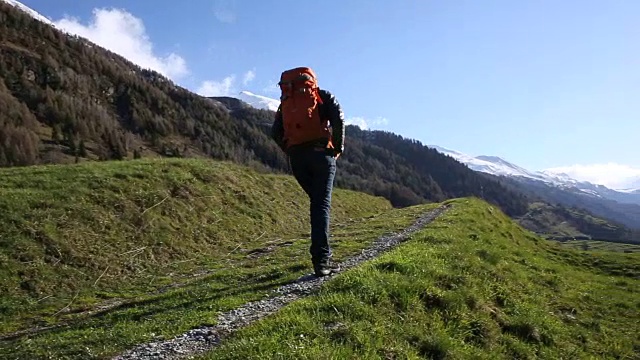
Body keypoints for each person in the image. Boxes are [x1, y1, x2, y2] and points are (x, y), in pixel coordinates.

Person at [271, 67, 345, 277]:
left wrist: (290, 149)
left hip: (298, 159)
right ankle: (322, 261)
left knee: (317, 205)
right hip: (322, 156)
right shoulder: (322, 96)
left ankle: (323, 256)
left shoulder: (285, 104)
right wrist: (337, 148)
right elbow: (338, 120)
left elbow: (275, 132)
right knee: (320, 206)